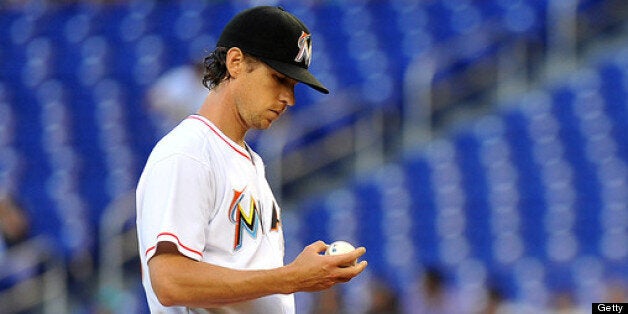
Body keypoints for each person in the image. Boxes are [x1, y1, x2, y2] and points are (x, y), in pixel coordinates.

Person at [136, 6, 367, 313]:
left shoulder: (249, 161)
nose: (290, 98)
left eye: (293, 85)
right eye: (279, 78)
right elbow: (169, 281)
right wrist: (291, 278)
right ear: (235, 62)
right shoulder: (189, 152)